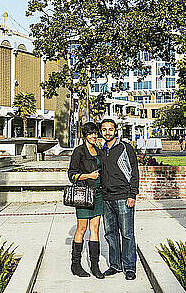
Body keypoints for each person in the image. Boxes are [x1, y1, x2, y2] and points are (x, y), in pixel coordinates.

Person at [99, 118, 140, 280]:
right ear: (101, 132)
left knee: (127, 234)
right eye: (104, 130)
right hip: (106, 198)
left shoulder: (125, 147)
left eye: (110, 129)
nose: (107, 132)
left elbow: (134, 172)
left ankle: (129, 267)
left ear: (115, 130)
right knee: (110, 234)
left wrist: (132, 194)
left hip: (124, 197)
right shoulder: (101, 150)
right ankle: (115, 265)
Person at [67, 122, 105, 279]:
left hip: (98, 195)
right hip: (84, 195)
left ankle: (95, 266)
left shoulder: (99, 151)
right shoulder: (79, 152)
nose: (94, 136)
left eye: (95, 133)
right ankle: (76, 265)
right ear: (85, 135)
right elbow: (72, 175)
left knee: (95, 229)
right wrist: (89, 176)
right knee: (82, 229)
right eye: (90, 134)